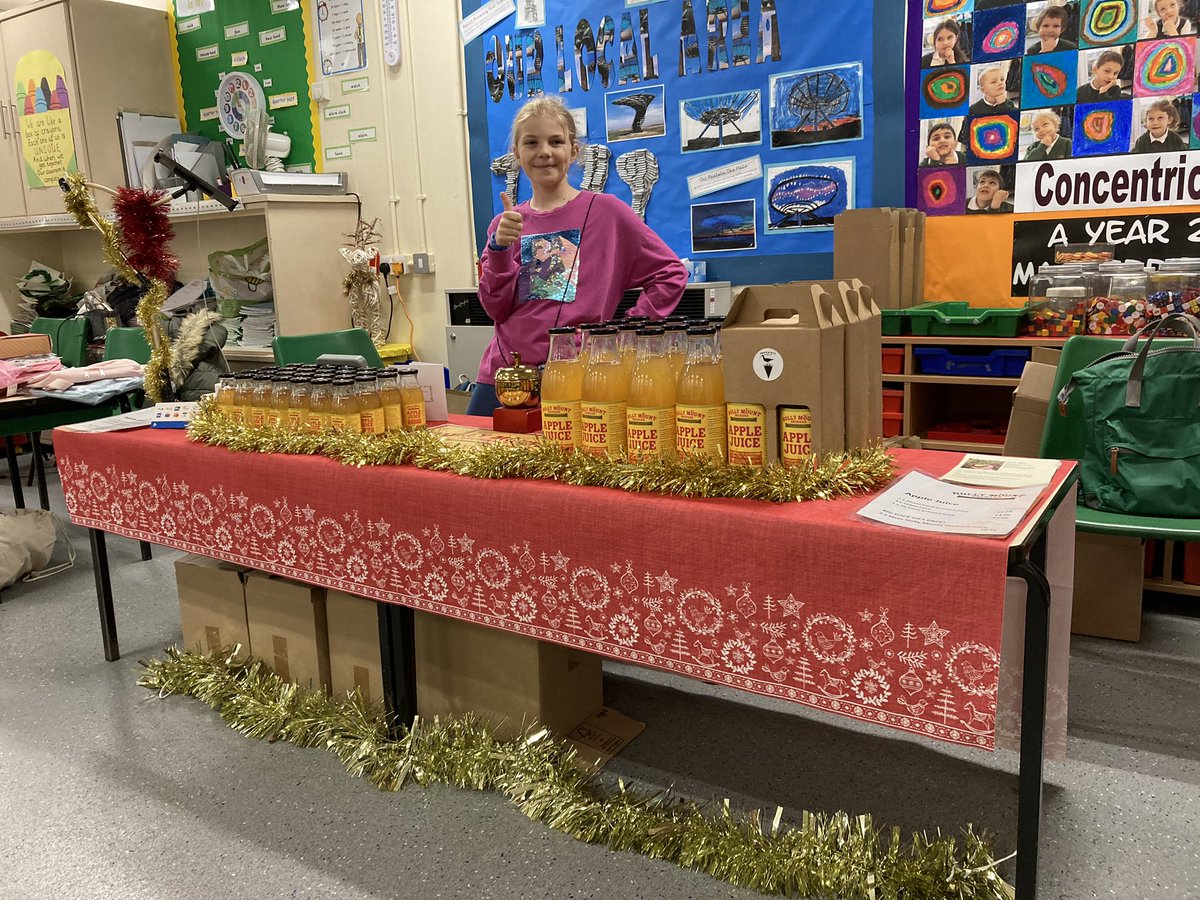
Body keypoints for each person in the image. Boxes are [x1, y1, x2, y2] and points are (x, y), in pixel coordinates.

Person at [469, 96, 686, 417]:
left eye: (555, 141)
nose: (544, 151)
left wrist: (623, 333)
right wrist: (499, 248)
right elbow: (495, 308)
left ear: (573, 151)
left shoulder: (608, 213)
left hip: (581, 376)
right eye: (531, 142)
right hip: (506, 376)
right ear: (516, 154)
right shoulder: (507, 223)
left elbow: (671, 273)